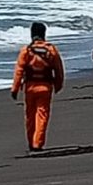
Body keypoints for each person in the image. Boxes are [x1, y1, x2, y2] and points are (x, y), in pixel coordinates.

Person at [11, 22, 65, 152]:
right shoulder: (51, 50)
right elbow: (58, 69)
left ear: (32, 34)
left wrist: (15, 89)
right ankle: (38, 143)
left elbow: (19, 71)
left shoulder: (26, 50)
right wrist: (58, 85)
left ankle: (31, 142)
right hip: (45, 87)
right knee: (42, 115)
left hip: (30, 87)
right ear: (44, 34)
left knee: (29, 116)